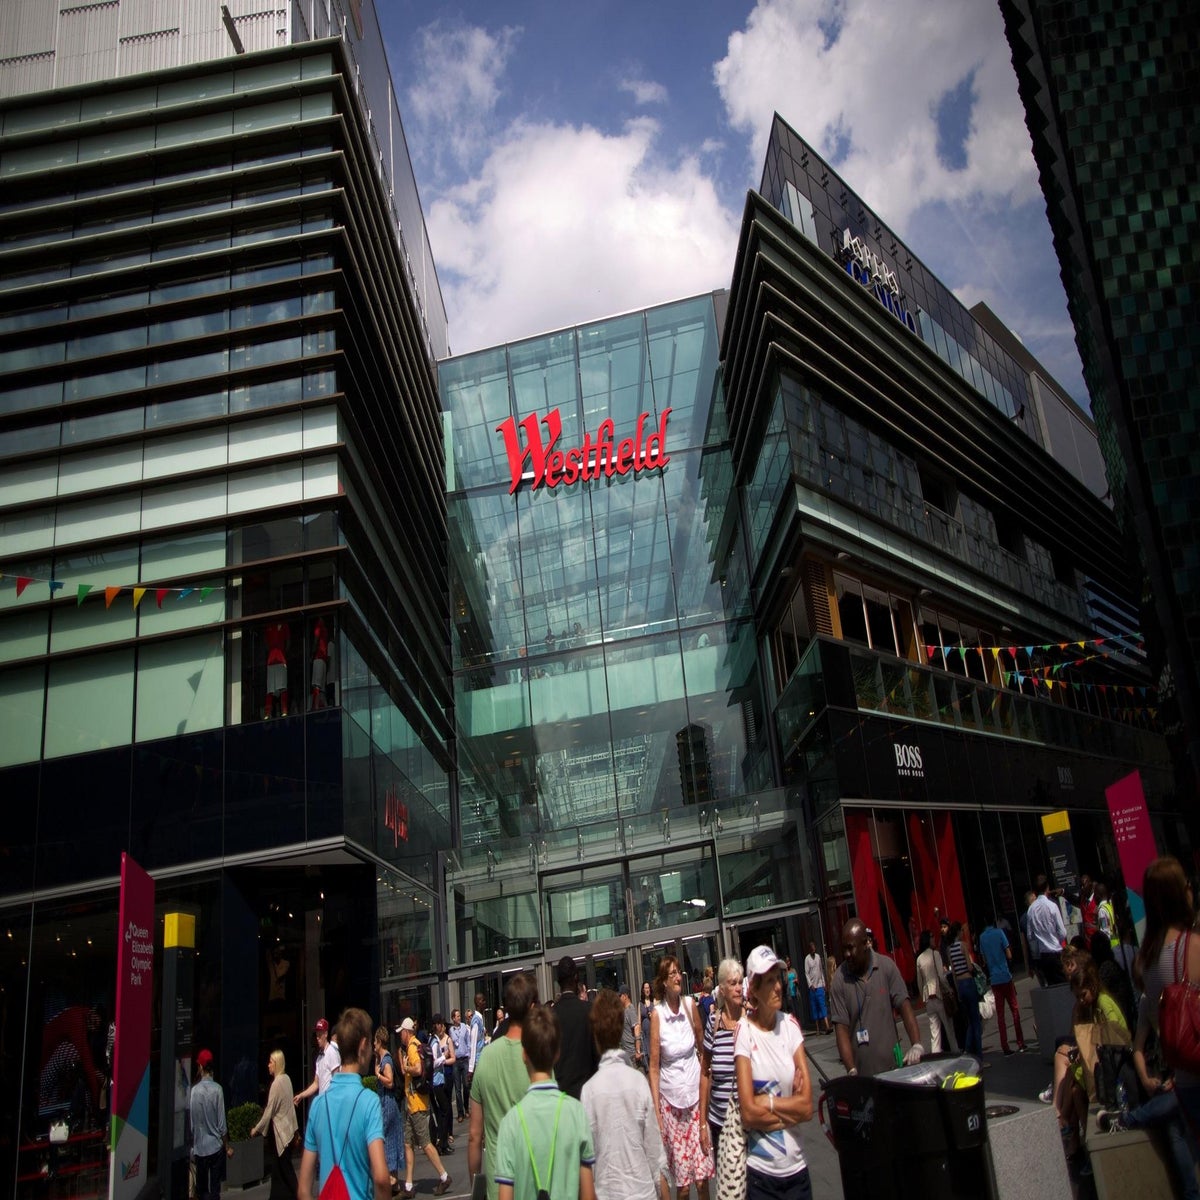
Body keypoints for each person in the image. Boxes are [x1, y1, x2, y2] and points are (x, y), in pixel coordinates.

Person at [1095, 856, 1200, 1200]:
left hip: (1185, 1085)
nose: (1190, 889)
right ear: (1177, 893)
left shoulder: (1147, 962)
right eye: (1185, 883)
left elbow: (1158, 1023)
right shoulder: (1194, 946)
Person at [494, 1005, 596, 1200]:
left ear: (524, 1054)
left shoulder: (510, 1122)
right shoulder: (576, 1112)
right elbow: (588, 1195)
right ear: (557, 1053)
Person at [735, 946, 813, 1200]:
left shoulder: (790, 1026)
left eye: (777, 978)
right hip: (761, 1176)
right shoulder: (744, 1032)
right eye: (769, 981)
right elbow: (747, 1113)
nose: (778, 986)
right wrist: (790, 1109)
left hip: (797, 1172)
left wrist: (766, 1102)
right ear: (754, 990)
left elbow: (807, 1107)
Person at [582, 989, 669, 1200]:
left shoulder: (589, 1091)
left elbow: (588, 1163)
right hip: (643, 1191)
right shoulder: (638, 1082)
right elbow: (655, 1155)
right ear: (621, 1027)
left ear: (595, 1033)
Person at [297, 1007, 389, 1200]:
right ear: (362, 1045)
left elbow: (303, 1190)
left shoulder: (318, 1105)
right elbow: (381, 1177)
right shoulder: (369, 1101)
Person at [1051, 959, 1128, 1170]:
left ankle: (1063, 1120)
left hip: (1117, 1066)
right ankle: (1079, 1142)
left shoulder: (1103, 1003)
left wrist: (1091, 1039)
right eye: (1077, 997)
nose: (1081, 1000)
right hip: (1104, 1064)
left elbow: (1117, 1033)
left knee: (1073, 1080)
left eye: (1082, 995)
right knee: (1075, 1088)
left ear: (1092, 987)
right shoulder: (1092, 1005)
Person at [648, 954, 713, 1200]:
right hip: (671, 1105)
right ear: (663, 982)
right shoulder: (657, 1015)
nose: (677, 977)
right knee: (684, 1185)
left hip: (696, 1101)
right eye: (672, 974)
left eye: (678, 972)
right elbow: (654, 1067)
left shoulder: (690, 1006)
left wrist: (707, 1083)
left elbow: (703, 1048)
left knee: (702, 1179)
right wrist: (657, 1111)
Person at [470, 971, 539, 1200]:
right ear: (531, 1006)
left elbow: (474, 1135)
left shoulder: (486, 1058)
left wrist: (475, 1185)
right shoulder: (538, 1056)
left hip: (497, 1183)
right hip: (535, 1179)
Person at [829, 918, 924, 1076]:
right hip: (864, 1078)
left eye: (851, 948)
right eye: (843, 949)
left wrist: (916, 1044)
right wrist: (851, 1069)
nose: (846, 954)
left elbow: (905, 1007)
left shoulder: (886, 967)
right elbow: (841, 1030)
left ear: (866, 943)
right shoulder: (840, 979)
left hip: (894, 1071)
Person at [398, 1017, 452, 1196]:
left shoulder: (413, 1048)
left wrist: (406, 1067)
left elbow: (418, 1070)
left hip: (418, 1105)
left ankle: (444, 1177)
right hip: (411, 1104)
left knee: (426, 1144)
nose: (400, 1036)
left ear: (407, 1032)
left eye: (402, 1033)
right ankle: (408, 1185)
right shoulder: (413, 1046)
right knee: (408, 1143)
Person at [699, 956, 744, 1161]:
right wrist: (702, 1123)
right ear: (722, 990)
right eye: (733, 983)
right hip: (720, 1122)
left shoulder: (751, 1021)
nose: (738, 988)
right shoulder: (713, 1023)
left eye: (740, 982)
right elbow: (705, 1072)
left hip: (749, 1122)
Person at [250, 1049, 299, 1200]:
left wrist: (256, 1129)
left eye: (271, 1062)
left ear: (277, 1064)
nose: (268, 1065)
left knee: (285, 1169)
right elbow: (291, 1108)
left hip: (281, 1135)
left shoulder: (276, 1084)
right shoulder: (287, 1079)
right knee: (278, 1171)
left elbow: (269, 1111)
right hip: (288, 1132)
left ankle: (300, 1195)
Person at [552, 955, 597, 1099]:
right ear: (576, 977)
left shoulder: (549, 1015)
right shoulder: (589, 1010)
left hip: (559, 1098)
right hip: (587, 1094)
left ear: (558, 981)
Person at [980, 914, 1026, 1055]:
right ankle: (1020, 1042)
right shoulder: (999, 933)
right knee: (1015, 1010)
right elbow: (1009, 955)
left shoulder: (982, 938)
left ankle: (1005, 1046)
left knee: (1000, 1015)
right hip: (1005, 976)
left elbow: (984, 960)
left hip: (994, 979)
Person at [190, 1049, 231, 1200]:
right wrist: (226, 1145)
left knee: (202, 1189)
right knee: (215, 1189)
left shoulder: (194, 1091)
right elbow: (222, 1123)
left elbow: (192, 1124)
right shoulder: (218, 1090)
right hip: (215, 1146)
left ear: (200, 1067)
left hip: (200, 1147)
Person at [915, 930, 956, 1054]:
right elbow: (941, 976)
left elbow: (919, 982)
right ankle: (955, 1052)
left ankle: (936, 1056)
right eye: (932, 937)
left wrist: (923, 996)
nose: (934, 940)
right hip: (939, 995)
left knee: (935, 1032)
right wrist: (949, 989)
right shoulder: (935, 954)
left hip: (928, 998)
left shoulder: (919, 959)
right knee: (949, 1028)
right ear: (928, 940)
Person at [945, 921, 982, 1056]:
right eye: (961, 931)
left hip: (959, 984)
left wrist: (957, 991)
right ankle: (978, 1054)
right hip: (968, 981)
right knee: (975, 1020)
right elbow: (970, 966)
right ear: (958, 932)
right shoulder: (963, 946)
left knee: (969, 1020)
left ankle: (967, 1051)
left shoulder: (949, 949)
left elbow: (954, 972)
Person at [373, 1027, 403, 1190]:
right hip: (387, 1102)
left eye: (375, 1041)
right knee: (390, 1140)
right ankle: (394, 1180)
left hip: (388, 1104)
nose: (373, 1044)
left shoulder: (387, 1060)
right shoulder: (382, 1059)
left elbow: (390, 1081)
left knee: (387, 1139)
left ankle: (391, 1180)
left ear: (379, 1042)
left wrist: (378, 1075)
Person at [1026, 875, 1068, 984]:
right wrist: (1055, 940)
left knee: (1050, 986)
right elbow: (1063, 932)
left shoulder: (1031, 909)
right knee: (1063, 984)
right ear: (1047, 888)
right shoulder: (1052, 906)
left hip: (1043, 955)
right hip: (1055, 951)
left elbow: (1030, 936)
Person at [295, 1018, 341, 1106]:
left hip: (331, 1103)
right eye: (317, 1035)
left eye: (320, 1034)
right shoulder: (319, 1058)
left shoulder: (331, 1052)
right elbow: (316, 1084)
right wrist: (301, 1095)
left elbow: (337, 1080)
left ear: (326, 1034)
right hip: (323, 1103)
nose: (317, 1038)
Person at [430, 1014, 455, 1155]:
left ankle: (443, 1142)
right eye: (439, 1024)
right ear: (437, 1025)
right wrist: (444, 1057)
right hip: (437, 1081)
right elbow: (434, 1062)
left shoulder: (434, 1040)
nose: (441, 1026)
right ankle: (441, 1142)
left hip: (439, 1080)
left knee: (442, 1111)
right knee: (444, 1110)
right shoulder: (434, 1042)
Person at [803, 942, 831, 1035]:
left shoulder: (818, 957)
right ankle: (818, 1028)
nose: (813, 950)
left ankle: (827, 1026)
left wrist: (823, 983)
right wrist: (810, 985)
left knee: (822, 1005)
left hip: (819, 985)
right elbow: (806, 973)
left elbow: (821, 970)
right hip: (812, 987)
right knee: (815, 1007)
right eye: (812, 948)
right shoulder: (807, 959)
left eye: (814, 948)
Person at [466, 994, 487, 1110]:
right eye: (483, 1000)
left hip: (481, 1059)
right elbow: (473, 1044)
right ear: (478, 1002)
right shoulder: (475, 1021)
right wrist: (470, 1068)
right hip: (478, 1062)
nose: (485, 1003)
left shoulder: (480, 1019)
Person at [450, 1009, 471, 1121]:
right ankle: (460, 1113)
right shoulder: (451, 1030)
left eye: (459, 1016)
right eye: (456, 1016)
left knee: (466, 1085)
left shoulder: (464, 1027)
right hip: (456, 1061)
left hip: (464, 1058)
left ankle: (466, 1107)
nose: (458, 1018)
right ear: (453, 1018)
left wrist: (468, 1052)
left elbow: (468, 1041)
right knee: (457, 1088)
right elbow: (451, 1044)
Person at [618, 983, 644, 1067]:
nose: (618, 998)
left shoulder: (630, 1010)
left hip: (633, 1057)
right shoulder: (624, 1010)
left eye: (620, 996)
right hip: (627, 1055)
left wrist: (638, 1051)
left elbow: (637, 1028)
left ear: (625, 996)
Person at [639, 982, 655, 1072]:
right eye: (645, 988)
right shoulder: (640, 1003)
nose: (647, 990)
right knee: (646, 1052)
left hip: (653, 1031)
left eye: (648, 988)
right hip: (645, 1033)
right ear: (643, 990)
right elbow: (639, 1019)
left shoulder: (654, 1001)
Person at [1079, 874, 1098, 942]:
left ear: (1090, 884)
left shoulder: (1097, 899)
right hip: (1088, 941)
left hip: (1099, 939)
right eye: (1081, 885)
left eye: (1083, 885)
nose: (1082, 888)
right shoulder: (1083, 900)